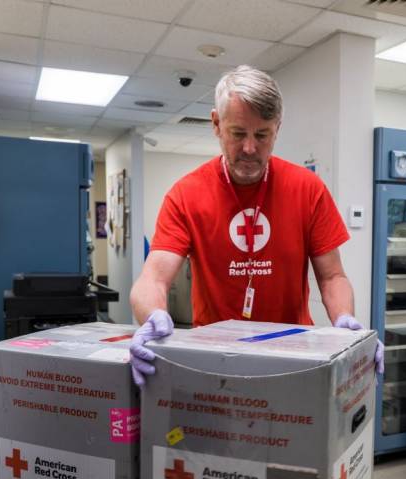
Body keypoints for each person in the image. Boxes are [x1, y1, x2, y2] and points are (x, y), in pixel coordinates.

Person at [129, 65, 383, 387]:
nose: (250, 148)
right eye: (238, 133)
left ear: (277, 128)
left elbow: (332, 276)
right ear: (216, 125)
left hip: (293, 358)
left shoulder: (308, 189)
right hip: (213, 359)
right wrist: (152, 316)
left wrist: (345, 320)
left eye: (262, 135)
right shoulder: (186, 195)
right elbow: (153, 278)